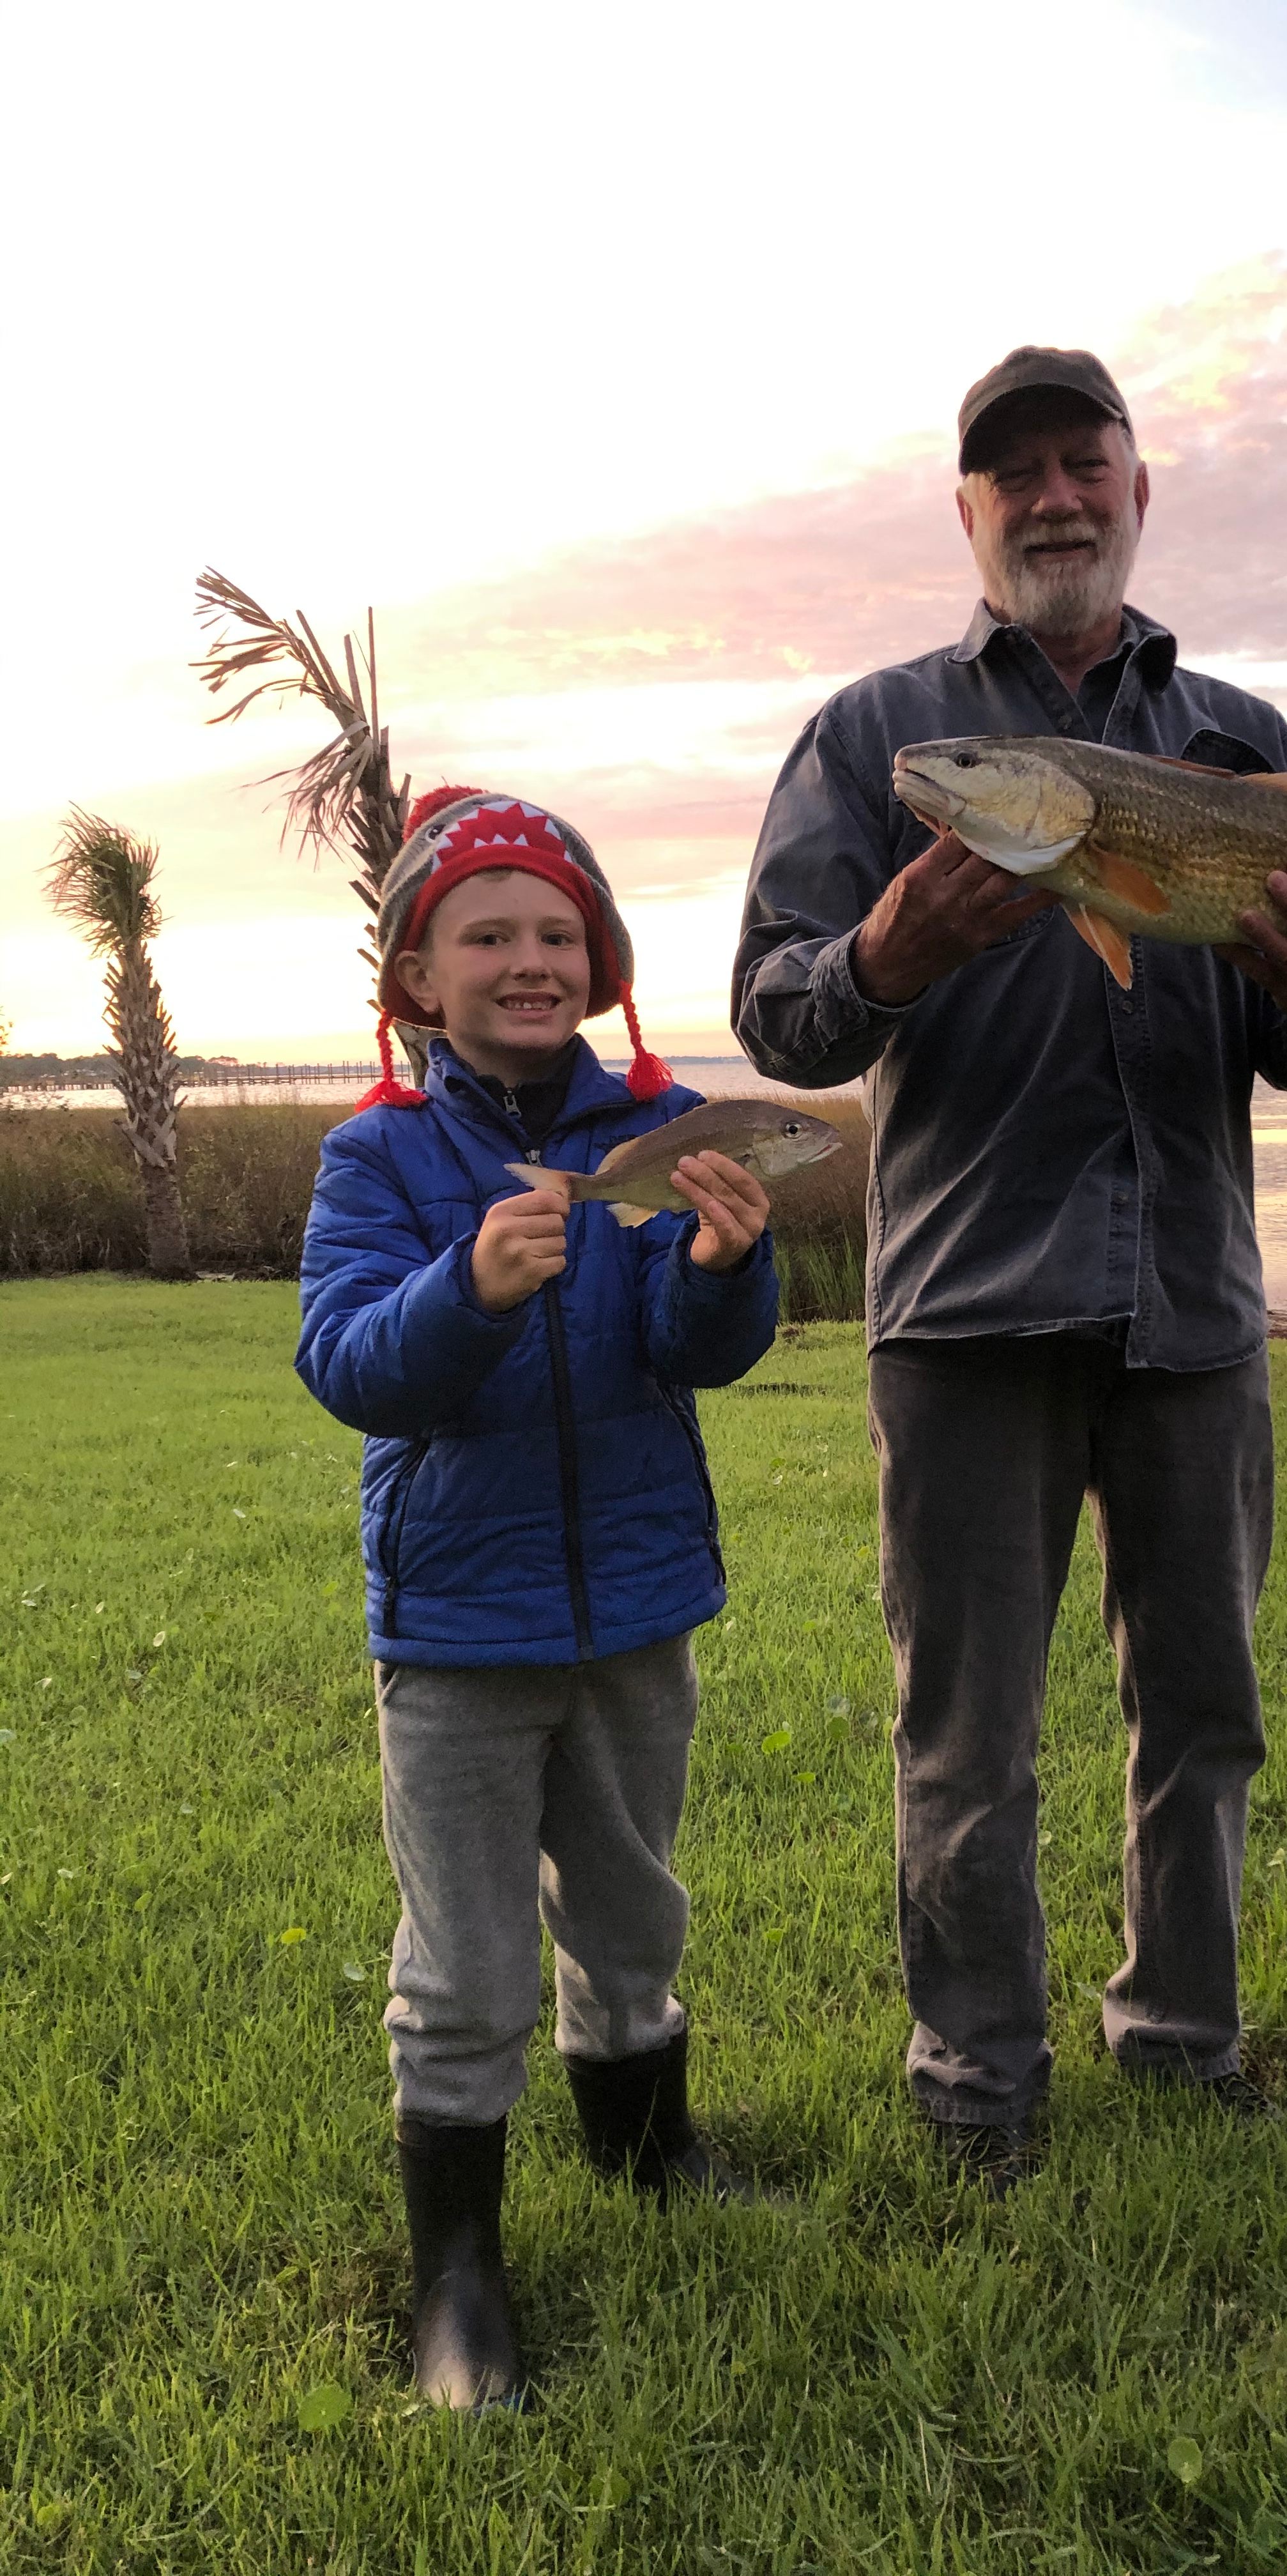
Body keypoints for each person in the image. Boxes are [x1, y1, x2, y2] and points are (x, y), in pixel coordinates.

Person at [732, 346, 1287, 2193]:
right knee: (968, 1734)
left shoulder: (1242, 743)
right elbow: (777, 1015)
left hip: (1194, 1307)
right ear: (968, 513)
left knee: (1203, 1714)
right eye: (1008, 473)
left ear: (1136, 487)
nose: (1050, 497)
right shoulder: (883, 740)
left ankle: (1184, 2047)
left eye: (1079, 461)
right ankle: (979, 2087)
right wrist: (881, 952)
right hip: (961, 1314)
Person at [297, 786, 778, 2408]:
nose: (527, 960)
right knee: (471, 1956)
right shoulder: (373, 1156)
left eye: (557, 932)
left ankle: (649, 2151)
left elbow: (691, 1352)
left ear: (603, 959)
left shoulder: (661, 1130)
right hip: (455, 1632)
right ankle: (458, 2273)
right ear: (418, 977)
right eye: (486, 934)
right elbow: (351, 1366)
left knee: (636, 1905)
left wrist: (724, 1268)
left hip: (640, 1607)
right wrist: (472, 1290)